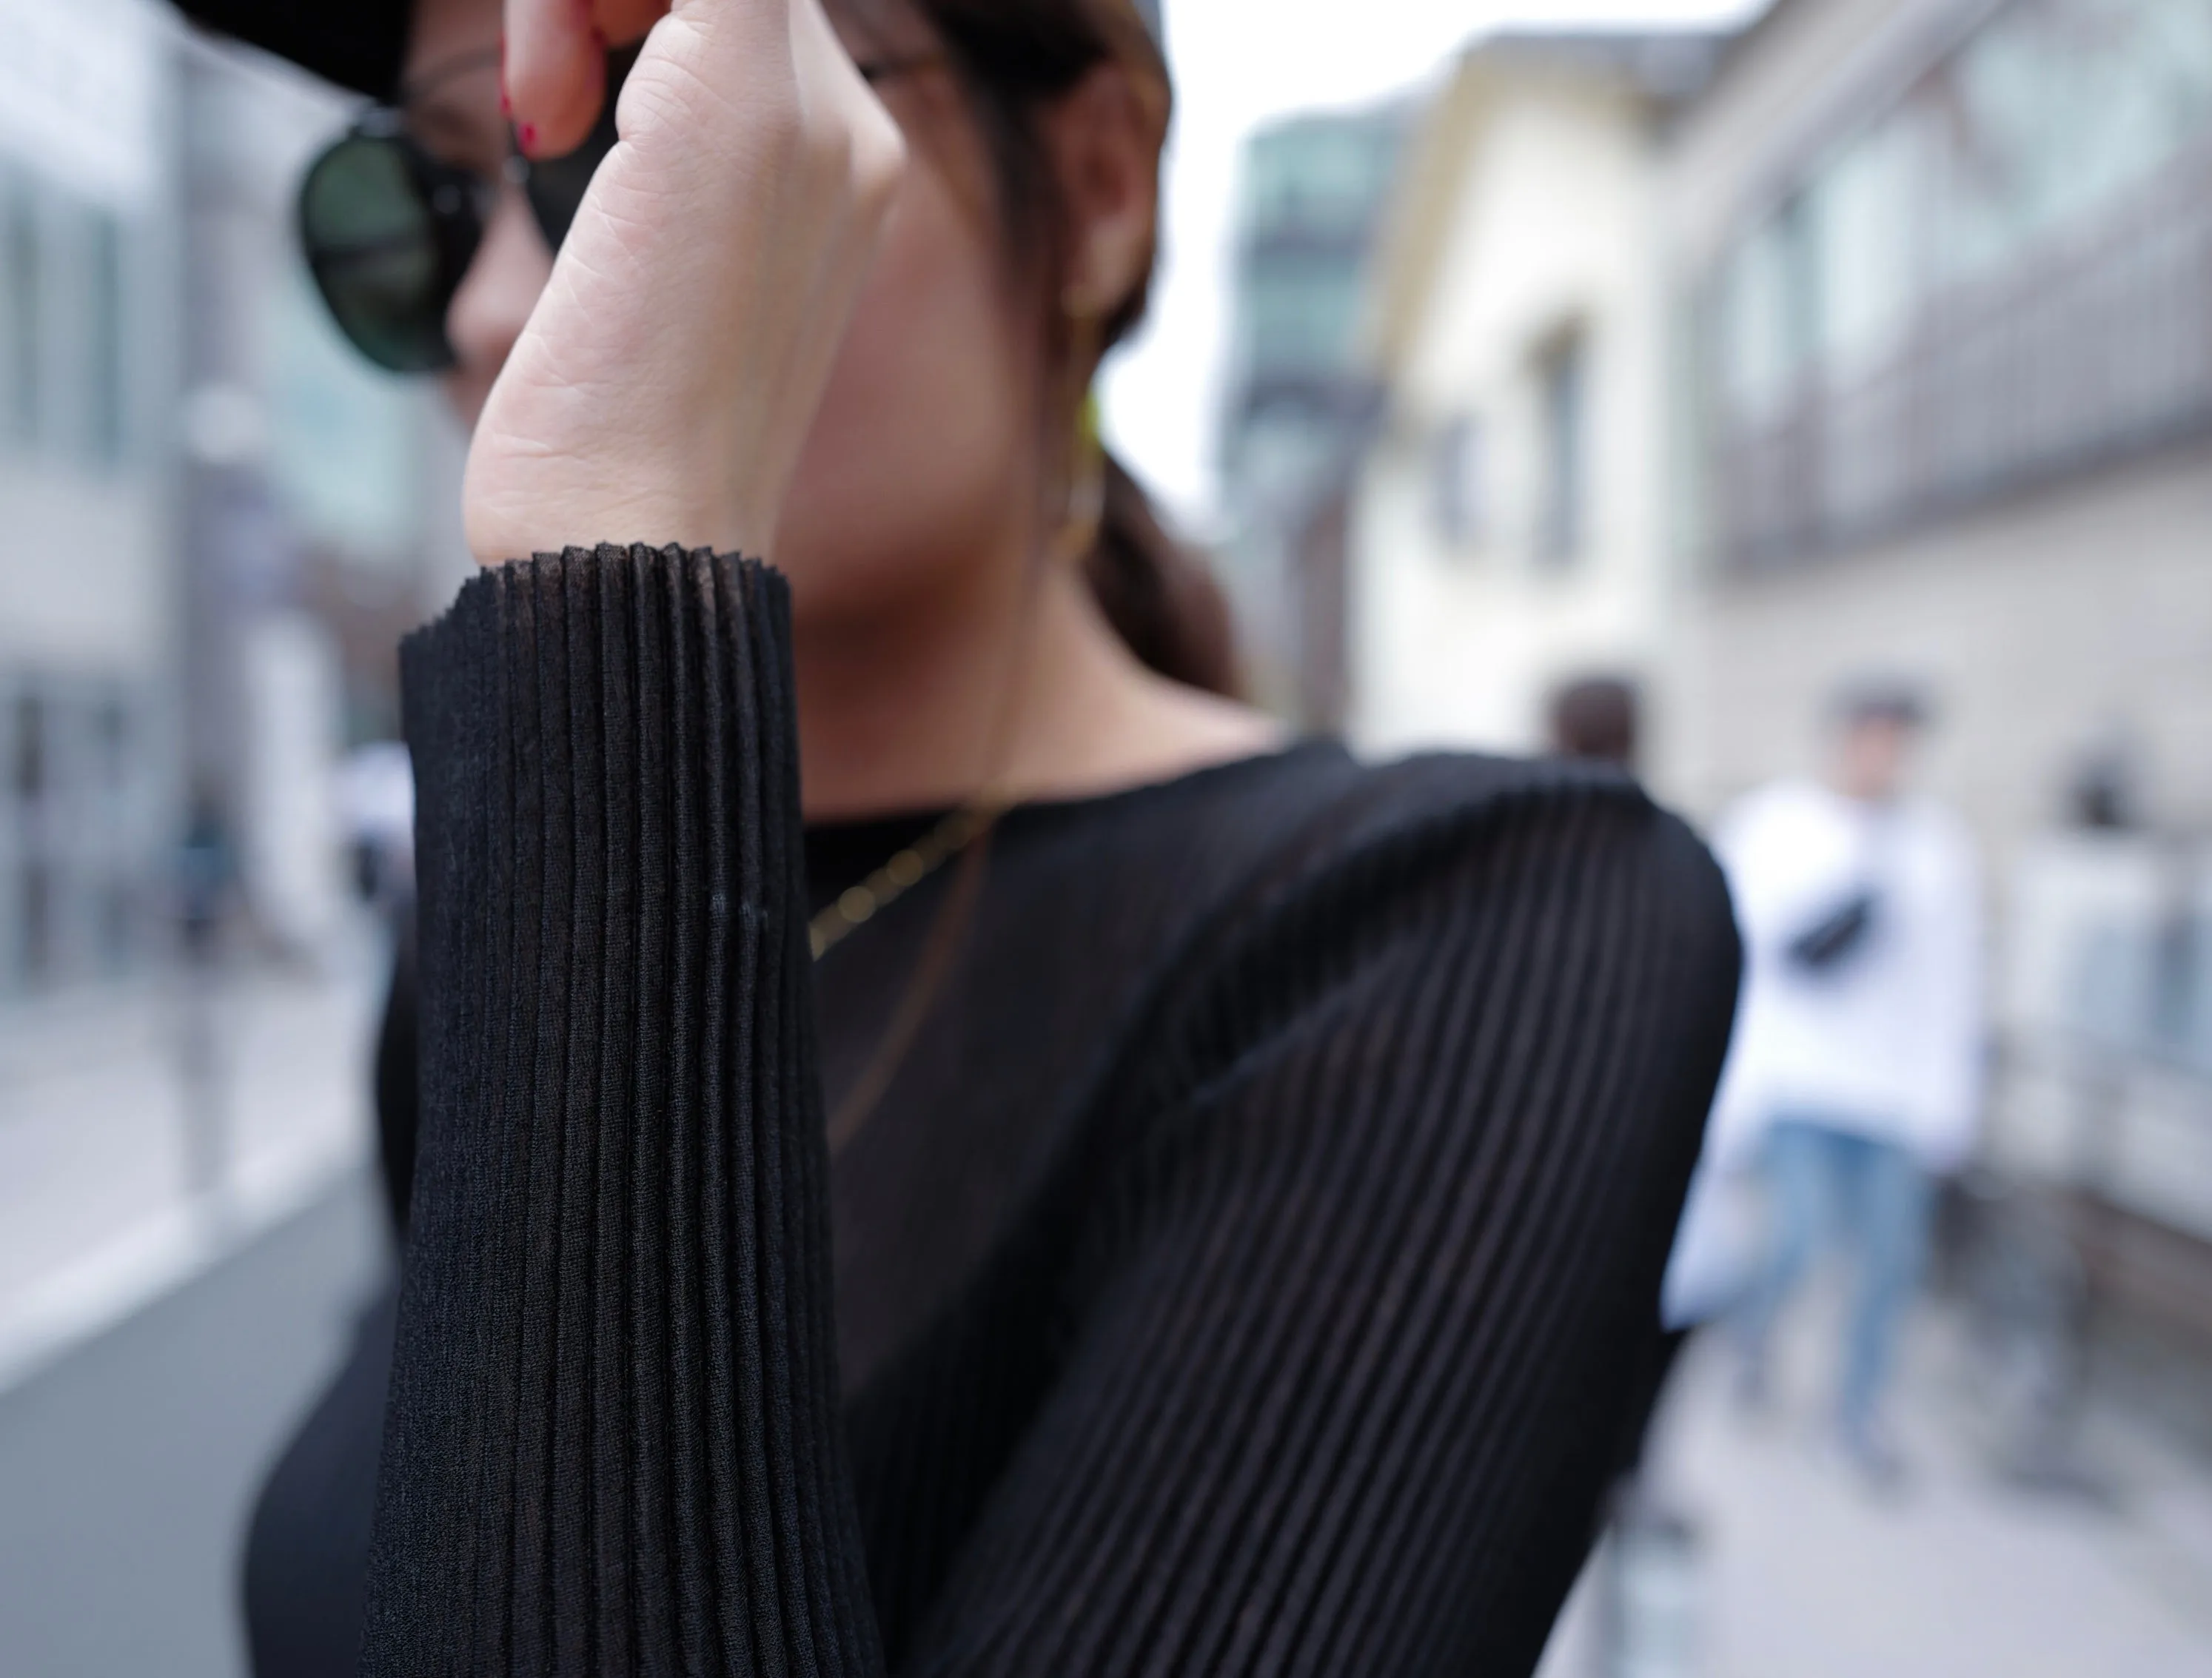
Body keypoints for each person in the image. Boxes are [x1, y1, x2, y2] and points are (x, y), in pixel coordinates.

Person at [183, 1, 1741, 1672]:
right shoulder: (481, 924)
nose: (491, 312)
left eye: (634, 145)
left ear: (1090, 186)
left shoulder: (1468, 932)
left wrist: (609, 589)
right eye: (418, 207)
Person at [1716, 680, 1983, 1487]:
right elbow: (1740, 959)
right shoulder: (1776, 828)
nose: (1882, 755)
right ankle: (1754, 1338)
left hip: (1894, 1095)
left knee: (1889, 1265)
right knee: (1796, 1237)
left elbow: (1955, 984)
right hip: (1800, 1082)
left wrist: (1951, 1104)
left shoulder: (1934, 847)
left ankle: (1857, 1412)